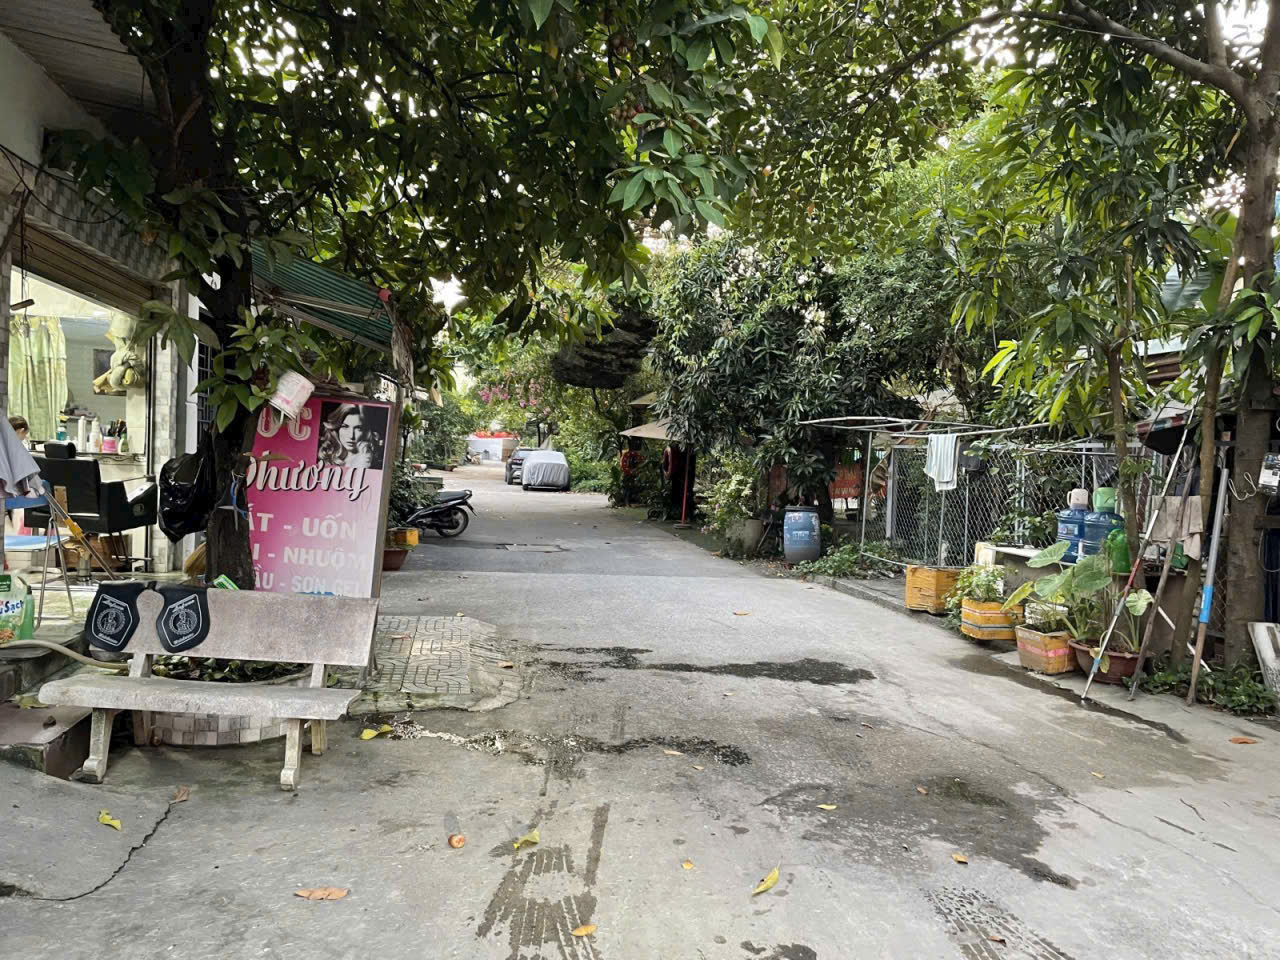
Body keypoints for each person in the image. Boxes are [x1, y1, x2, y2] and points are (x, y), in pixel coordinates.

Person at [317, 403, 383, 469]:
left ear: (366, 431)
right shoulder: (327, 456)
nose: (351, 436)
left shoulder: (372, 462)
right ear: (336, 428)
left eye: (358, 428)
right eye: (345, 427)